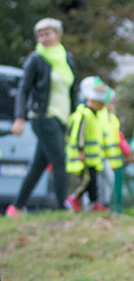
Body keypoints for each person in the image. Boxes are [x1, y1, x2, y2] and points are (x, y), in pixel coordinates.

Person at [6, 18, 77, 217]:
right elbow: (23, 90)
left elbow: (72, 90)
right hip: (43, 117)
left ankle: (16, 208)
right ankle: (63, 207)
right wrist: (19, 118)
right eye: (40, 35)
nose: (43, 38)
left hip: (62, 118)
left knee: (38, 165)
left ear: (58, 34)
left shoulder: (66, 58)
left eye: (47, 34)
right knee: (60, 160)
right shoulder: (36, 59)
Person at [64, 76, 108, 212]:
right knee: (86, 180)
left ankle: (94, 203)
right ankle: (73, 198)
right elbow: (79, 134)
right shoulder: (84, 114)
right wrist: (80, 151)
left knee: (93, 182)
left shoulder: (95, 115)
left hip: (93, 158)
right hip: (85, 157)